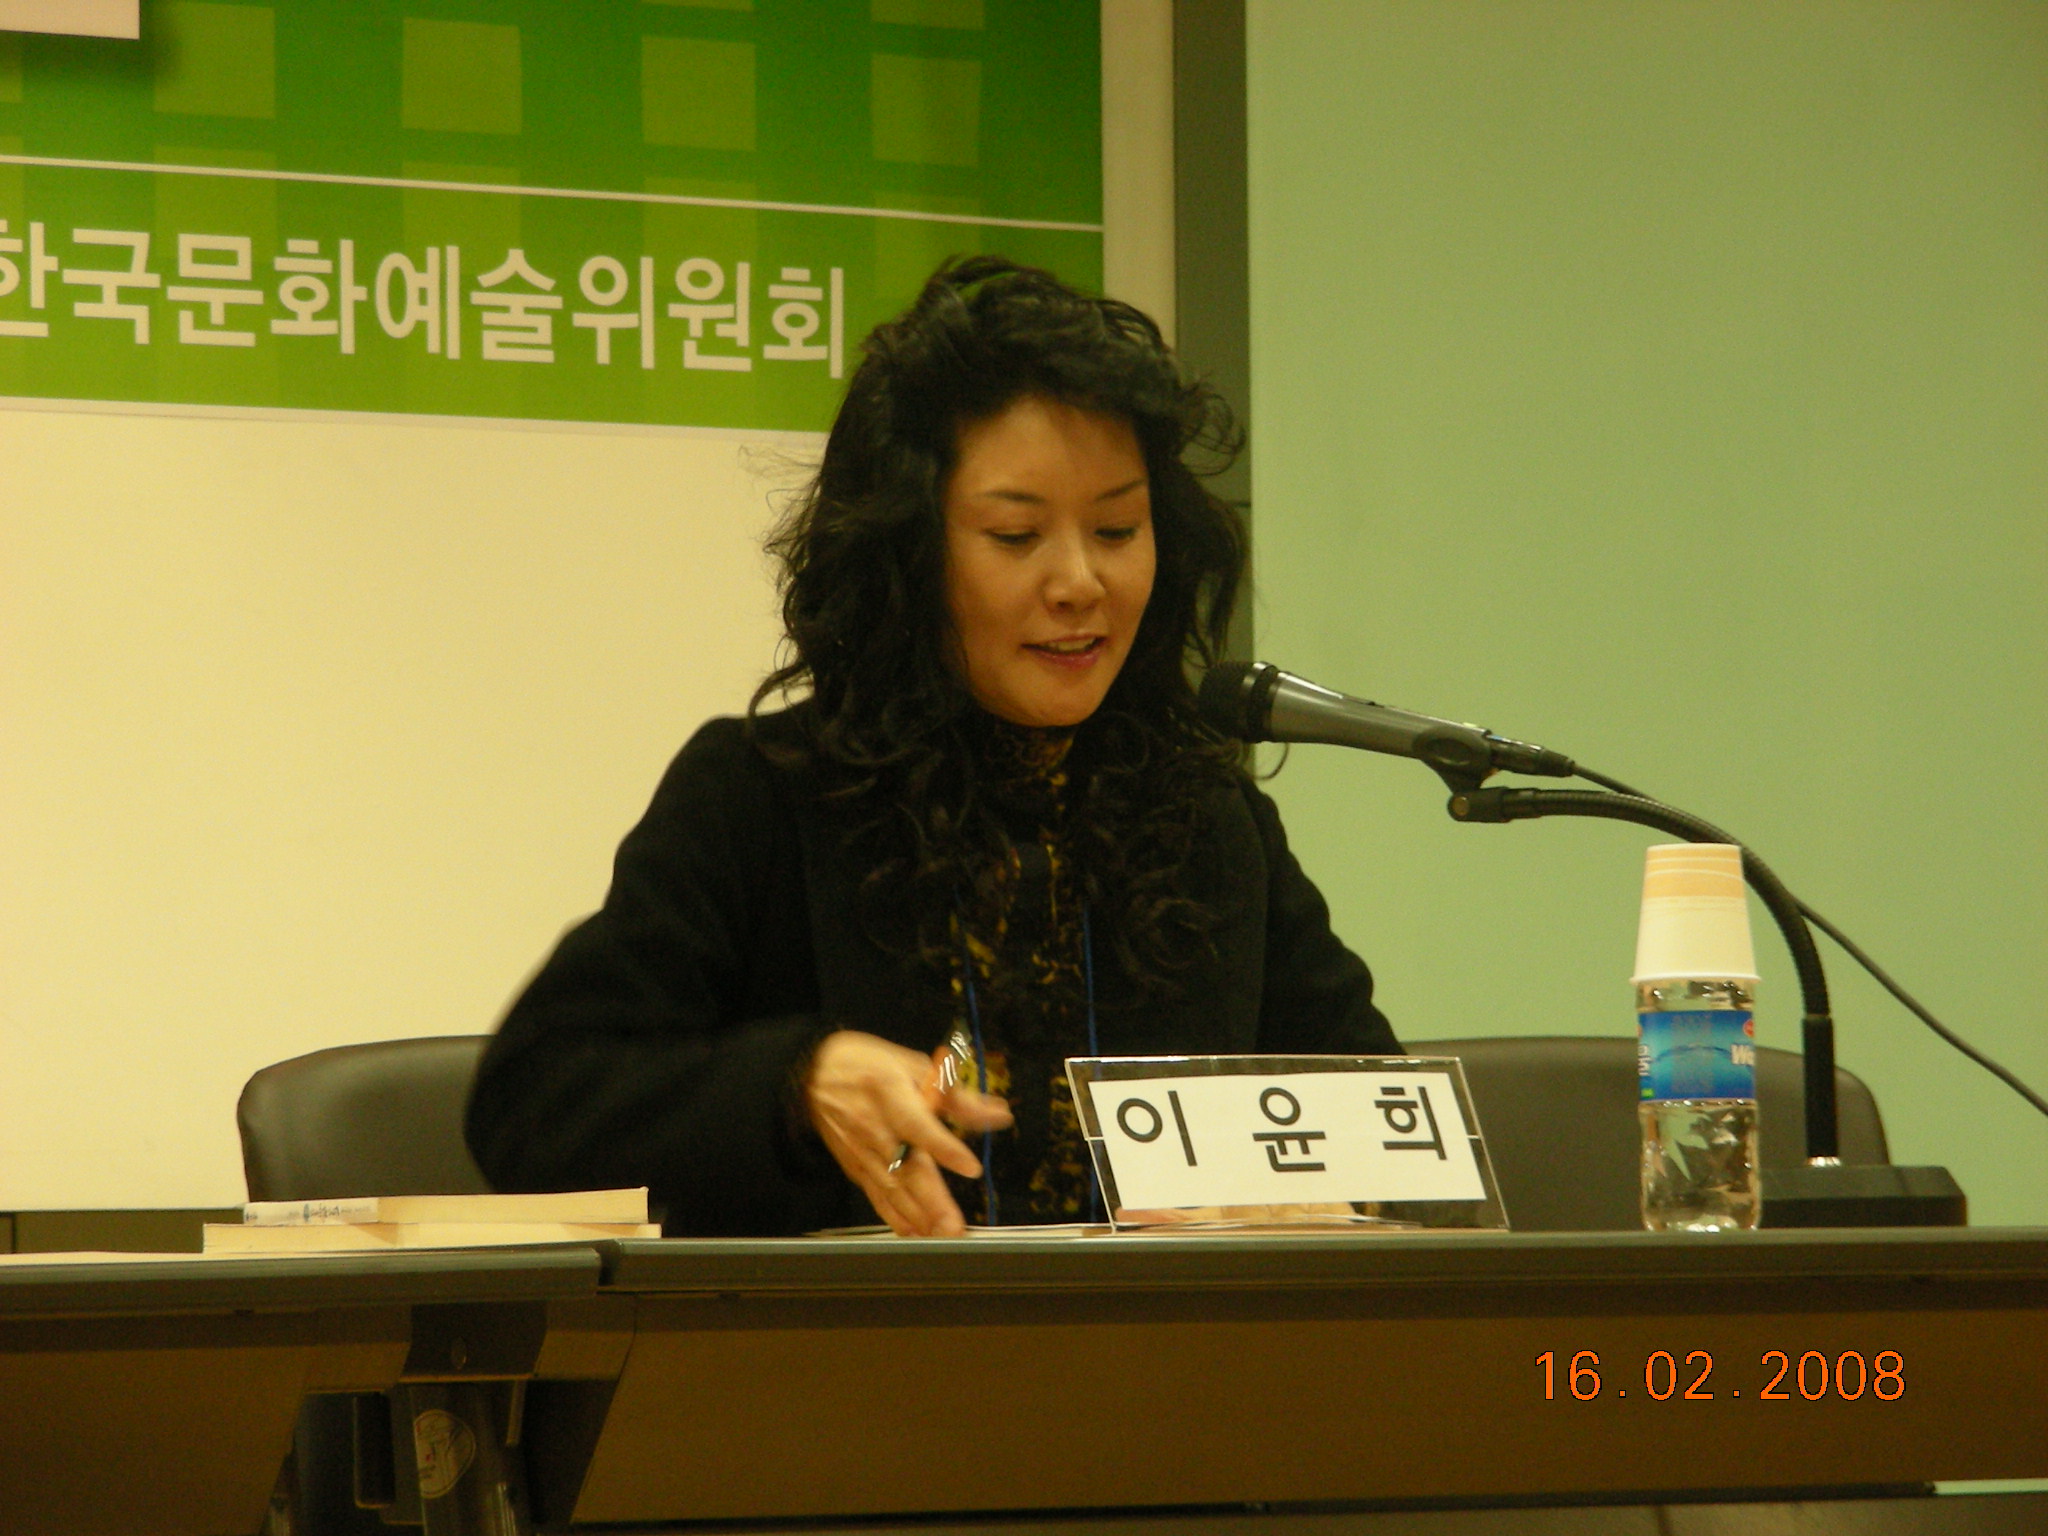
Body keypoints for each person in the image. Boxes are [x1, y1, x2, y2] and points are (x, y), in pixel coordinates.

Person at [464, 257, 1399, 1236]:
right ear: (907, 553)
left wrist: (1333, 1194)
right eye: (1015, 536)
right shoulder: (765, 795)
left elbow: (1387, 1120)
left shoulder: (1199, 811)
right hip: (849, 1334)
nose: (1079, 582)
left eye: (1118, 529)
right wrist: (796, 1084)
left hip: (1156, 1335)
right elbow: (534, 1103)